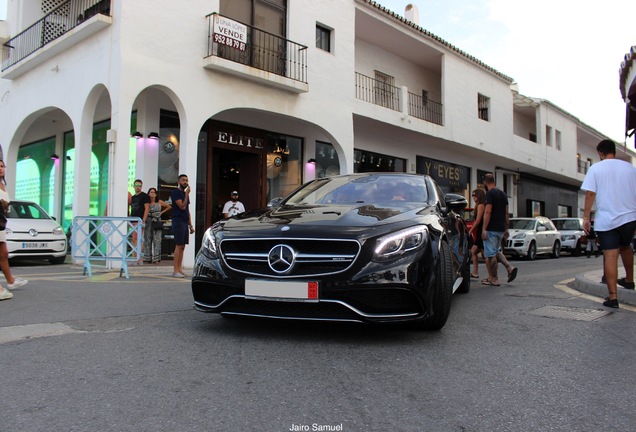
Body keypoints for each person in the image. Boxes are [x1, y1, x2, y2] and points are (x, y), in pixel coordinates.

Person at [581, 139, 636, 308]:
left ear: (600, 153)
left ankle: (613, 297)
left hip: (607, 220)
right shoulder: (630, 168)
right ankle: (629, 280)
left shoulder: (596, 168)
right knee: (626, 247)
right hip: (629, 218)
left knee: (610, 255)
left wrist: (585, 218)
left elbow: (590, 194)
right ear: (614, 151)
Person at [0, 159, 29, 301]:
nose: (0, 169)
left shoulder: (3, 185)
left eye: (1, 166)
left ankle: (10, 281)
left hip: (1, 225)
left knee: (4, 254)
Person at [481, 173, 515, 286]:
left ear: (486, 182)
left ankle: (494, 278)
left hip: (491, 228)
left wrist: (484, 229)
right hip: (500, 228)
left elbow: (488, 211)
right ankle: (510, 267)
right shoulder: (503, 194)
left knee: (490, 255)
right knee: (497, 252)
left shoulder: (490, 194)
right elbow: (506, 213)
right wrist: (506, 228)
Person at [171, 174, 195, 278]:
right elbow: (182, 206)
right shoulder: (176, 193)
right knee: (178, 244)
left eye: (186, 180)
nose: (185, 182)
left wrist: (191, 225)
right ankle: (175, 269)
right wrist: (186, 194)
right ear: (179, 182)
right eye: (183, 180)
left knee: (183, 246)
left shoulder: (185, 194)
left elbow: (187, 210)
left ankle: (179, 269)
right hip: (178, 220)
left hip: (185, 221)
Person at [143, 188, 170, 264]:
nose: (152, 194)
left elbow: (169, 206)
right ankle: (147, 257)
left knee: (157, 240)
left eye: (154, 192)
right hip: (148, 221)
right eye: (151, 192)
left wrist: (161, 212)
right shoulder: (147, 202)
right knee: (147, 239)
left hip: (157, 221)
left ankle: (156, 258)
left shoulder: (159, 202)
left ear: (156, 194)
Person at [130, 179, 150, 264]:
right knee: (134, 238)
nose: (138, 187)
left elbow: (147, 208)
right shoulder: (133, 197)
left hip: (140, 220)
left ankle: (139, 258)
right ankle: (135, 256)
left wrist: (143, 220)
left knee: (139, 239)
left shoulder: (144, 196)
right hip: (133, 220)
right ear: (134, 186)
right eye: (136, 185)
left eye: (140, 186)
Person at [468, 188, 485, 279]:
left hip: (481, 231)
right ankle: (475, 272)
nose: (473, 197)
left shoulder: (481, 206)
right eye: (472, 195)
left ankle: (492, 274)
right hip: (479, 231)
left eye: (475, 195)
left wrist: (471, 230)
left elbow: (478, 220)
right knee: (474, 251)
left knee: (485, 254)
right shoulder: (478, 206)